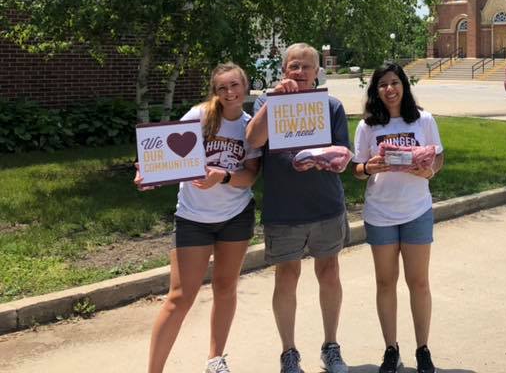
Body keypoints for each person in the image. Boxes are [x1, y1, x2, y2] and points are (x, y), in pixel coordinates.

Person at [138, 63, 261, 373]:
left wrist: (222, 177)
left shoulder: (249, 127)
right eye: (222, 88)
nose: (230, 92)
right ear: (214, 92)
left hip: (235, 217)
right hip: (193, 218)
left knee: (225, 287)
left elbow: (250, 176)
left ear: (245, 87)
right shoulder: (199, 116)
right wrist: (147, 172)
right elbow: (166, 154)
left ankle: (215, 360)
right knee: (180, 296)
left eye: (235, 85)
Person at [245, 43, 350, 373]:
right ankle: (289, 353)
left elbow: (343, 157)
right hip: (284, 209)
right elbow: (253, 139)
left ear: (318, 73)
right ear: (284, 70)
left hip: (325, 206)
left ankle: (331, 347)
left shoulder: (331, 105)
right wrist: (275, 102)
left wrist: (326, 160)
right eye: (294, 66)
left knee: (329, 273)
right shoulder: (266, 102)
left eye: (306, 67)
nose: (300, 72)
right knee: (286, 277)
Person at [353, 62, 444, 373]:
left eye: (395, 83)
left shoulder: (424, 119)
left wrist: (429, 170)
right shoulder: (368, 126)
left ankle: (423, 349)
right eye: (383, 85)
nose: (389, 89)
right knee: (385, 282)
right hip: (380, 213)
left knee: (418, 282)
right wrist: (369, 168)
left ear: (404, 86)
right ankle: (390, 349)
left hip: (416, 210)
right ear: (376, 91)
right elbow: (358, 169)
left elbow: (438, 155)